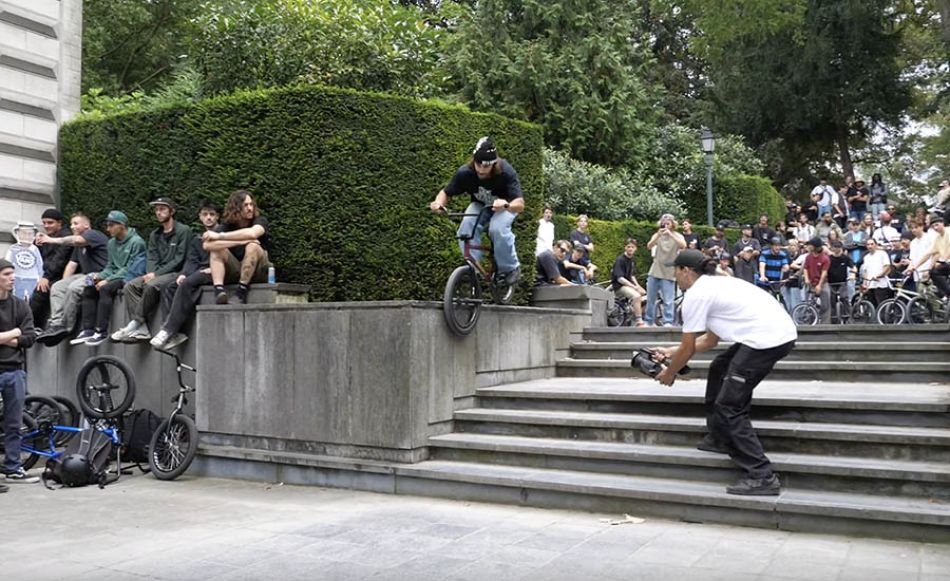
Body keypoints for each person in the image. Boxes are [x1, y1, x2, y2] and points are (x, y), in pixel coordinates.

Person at [650, 249, 796, 496]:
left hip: (766, 340)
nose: (675, 277)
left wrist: (670, 373)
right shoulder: (715, 285)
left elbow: (689, 348)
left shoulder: (696, 295)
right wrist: (670, 351)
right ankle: (719, 436)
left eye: (676, 271)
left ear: (686, 271)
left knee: (730, 406)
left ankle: (761, 475)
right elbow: (710, 340)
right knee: (720, 366)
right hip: (771, 334)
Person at [430, 137, 524, 286]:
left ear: (493, 164)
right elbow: (446, 192)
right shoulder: (465, 173)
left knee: (497, 229)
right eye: (478, 164)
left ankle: (511, 268)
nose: (481, 170)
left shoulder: (506, 172)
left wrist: (506, 205)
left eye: (486, 167)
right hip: (481, 205)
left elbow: (520, 204)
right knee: (466, 226)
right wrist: (438, 203)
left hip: (505, 207)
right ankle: (473, 269)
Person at [111, 198, 192, 342]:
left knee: (151, 285)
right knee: (130, 286)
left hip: (176, 272)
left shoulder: (183, 231)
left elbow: (179, 259)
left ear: (172, 211)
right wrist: (151, 272)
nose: (158, 213)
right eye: (157, 210)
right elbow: (151, 257)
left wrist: (156, 275)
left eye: (162, 209)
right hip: (157, 273)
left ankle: (135, 323)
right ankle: (142, 330)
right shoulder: (155, 234)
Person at [151, 201, 221, 350]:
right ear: (200, 217)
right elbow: (191, 261)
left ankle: (168, 329)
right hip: (199, 272)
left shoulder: (223, 234)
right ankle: (175, 333)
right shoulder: (197, 239)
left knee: (188, 283)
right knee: (169, 286)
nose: (208, 218)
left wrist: (212, 268)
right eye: (205, 214)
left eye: (212, 214)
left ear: (217, 217)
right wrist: (183, 274)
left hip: (216, 272)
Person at [72, 211, 147, 346]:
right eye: (107, 225)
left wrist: (107, 280)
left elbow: (131, 268)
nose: (108, 229)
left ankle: (101, 331)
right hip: (115, 275)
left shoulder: (137, 242)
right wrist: (99, 276)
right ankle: (88, 330)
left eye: (111, 225)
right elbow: (110, 265)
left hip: (130, 276)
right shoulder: (111, 243)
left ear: (121, 225)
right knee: (89, 287)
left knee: (105, 288)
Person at [34, 213, 109, 346]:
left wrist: (50, 240)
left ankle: (66, 327)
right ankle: (56, 325)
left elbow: (76, 241)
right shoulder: (78, 246)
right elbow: (71, 265)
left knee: (74, 288)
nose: (72, 226)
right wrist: (63, 284)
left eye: (75, 223)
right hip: (85, 274)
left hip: (102, 275)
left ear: (86, 225)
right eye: (71, 223)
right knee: (58, 287)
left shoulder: (93, 235)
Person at [0, 258, 38, 486]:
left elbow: (30, 337)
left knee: (14, 424)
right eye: (6, 274)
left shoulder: (21, 305)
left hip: (15, 371)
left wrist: (9, 338)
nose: (12, 278)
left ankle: (13, 468)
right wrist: (13, 332)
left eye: (12, 274)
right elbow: (20, 334)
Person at [203, 190, 274, 304]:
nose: (250, 208)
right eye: (245, 205)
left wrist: (220, 236)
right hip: (236, 269)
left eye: (251, 204)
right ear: (236, 208)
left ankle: (241, 292)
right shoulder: (227, 225)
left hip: (259, 270)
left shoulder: (260, 220)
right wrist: (239, 242)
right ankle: (219, 291)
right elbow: (207, 245)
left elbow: (252, 234)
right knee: (216, 250)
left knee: (252, 246)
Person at [30, 209, 72, 330]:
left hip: (59, 276)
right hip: (47, 274)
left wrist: (46, 277)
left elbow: (59, 261)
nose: (46, 226)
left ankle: (31, 326)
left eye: (50, 222)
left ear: (59, 223)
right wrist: (36, 242)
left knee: (40, 291)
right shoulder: (47, 237)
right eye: (44, 223)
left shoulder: (66, 237)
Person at [645, 214, 686, 327]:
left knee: (668, 300)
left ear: (673, 224)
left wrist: (671, 235)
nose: (666, 225)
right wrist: (658, 236)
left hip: (668, 271)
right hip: (655, 270)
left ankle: (668, 321)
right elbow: (649, 246)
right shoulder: (658, 235)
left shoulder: (677, 235)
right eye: (664, 223)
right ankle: (648, 321)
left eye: (668, 223)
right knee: (650, 298)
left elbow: (683, 245)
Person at [906, 217, 950, 299]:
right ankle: (946, 294)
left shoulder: (947, 232)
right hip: (922, 272)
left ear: (943, 223)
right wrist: (914, 267)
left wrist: (942, 260)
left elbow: (937, 254)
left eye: (937, 225)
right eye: (933, 226)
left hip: (945, 262)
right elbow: (927, 254)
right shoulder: (937, 238)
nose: (935, 228)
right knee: (933, 274)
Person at [610, 239, 646, 327]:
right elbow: (620, 279)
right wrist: (634, 287)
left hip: (628, 285)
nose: (630, 249)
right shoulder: (620, 260)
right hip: (619, 286)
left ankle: (635, 312)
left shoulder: (632, 260)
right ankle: (639, 320)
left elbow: (632, 275)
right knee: (636, 296)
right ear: (625, 248)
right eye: (628, 247)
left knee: (644, 295)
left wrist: (638, 286)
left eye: (632, 247)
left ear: (635, 249)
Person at [5, 222, 43, 301]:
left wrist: (41, 278)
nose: (27, 236)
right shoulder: (13, 248)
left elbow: (40, 264)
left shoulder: (34, 249)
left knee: (31, 299)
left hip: (32, 278)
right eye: (24, 233)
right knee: (17, 298)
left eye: (29, 234)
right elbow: (7, 263)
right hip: (17, 278)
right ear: (18, 233)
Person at [802, 237, 831, 324]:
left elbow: (824, 273)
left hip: (822, 283)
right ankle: (809, 322)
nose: (808, 246)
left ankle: (825, 324)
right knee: (809, 303)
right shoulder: (808, 257)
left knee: (825, 305)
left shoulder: (825, 258)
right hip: (811, 282)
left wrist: (819, 285)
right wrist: (806, 278)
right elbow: (805, 268)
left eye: (810, 245)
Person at [827, 240, 855, 322]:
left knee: (844, 298)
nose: (836, 249)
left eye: (838, 247)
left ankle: (847, 316)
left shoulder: (845, 258)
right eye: (835, 247)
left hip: (842, 282)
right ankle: (833, 318)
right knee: (832, 300)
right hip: (831, 282)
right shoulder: (829, 258)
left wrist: (853, 274)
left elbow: (853, 266)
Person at [860, 238, 892, 306]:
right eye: (868, 244)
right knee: (872, 305)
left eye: (872, 244)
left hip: (880, 283)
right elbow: (866, 271)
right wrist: (865, 283)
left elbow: (887, 266)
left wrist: (879, 276)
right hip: (870, 285)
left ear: (876, 245)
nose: (870, 246)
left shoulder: (882, 254)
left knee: (881, 304)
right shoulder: (866, 257)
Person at [568, 215, 598, 282]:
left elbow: (592, 248)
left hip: (586, 260)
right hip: (577, 260)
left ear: (587, 223)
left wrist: (582, 244)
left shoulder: (588, 236)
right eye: (581, 221)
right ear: (578, 223)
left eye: (585, 221)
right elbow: (577, 244)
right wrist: (587, 246)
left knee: (588, 278)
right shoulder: (574, 233)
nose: (583, 223)